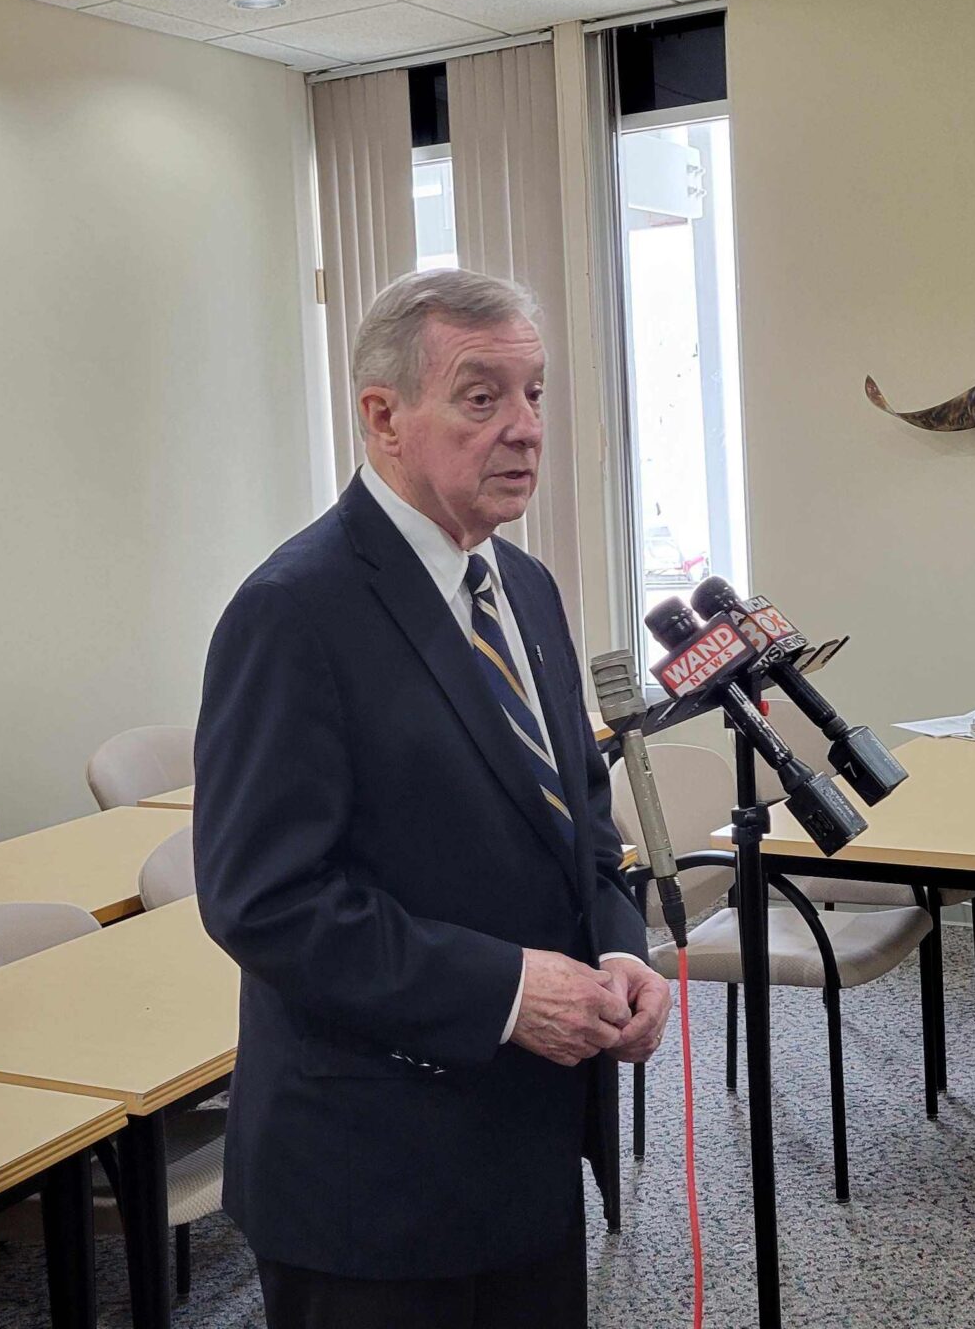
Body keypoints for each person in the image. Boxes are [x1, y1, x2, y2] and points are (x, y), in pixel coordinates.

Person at [196, 269, 669, 1329]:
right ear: (382, 418)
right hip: (370, 1178)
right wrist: (503, 991)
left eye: (536, 393)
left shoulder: (527, 589)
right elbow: (265, 902)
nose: (524, 429)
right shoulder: (292, 612)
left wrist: (621, 948)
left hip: (527, 1148)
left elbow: (583, 831)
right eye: (480, 396)